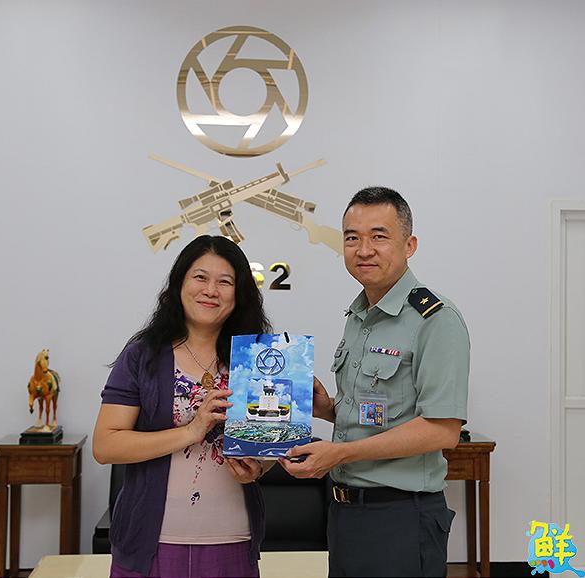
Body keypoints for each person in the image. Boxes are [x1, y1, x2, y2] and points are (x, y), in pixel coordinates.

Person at [281, 187, 470, 578]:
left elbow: (442, 430)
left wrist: (340, 454)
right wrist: (327, 409)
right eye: (352, 238)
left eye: (379, 236)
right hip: (346, 515)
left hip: (400, 518)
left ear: (409, 245)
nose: (363, 250)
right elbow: (379, 412)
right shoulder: (359, 316)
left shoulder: (435, 320)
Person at [93, 235, 273, 578]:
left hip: (232, 539)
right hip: (150, 543)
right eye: (200, 277)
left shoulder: (258, 359)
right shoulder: (142, 355)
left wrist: (258, 467)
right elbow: (105, 445)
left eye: (225, 282)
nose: (211, 290)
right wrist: (191, 431)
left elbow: (264, 448)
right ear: (180, 283)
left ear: (239, 294)